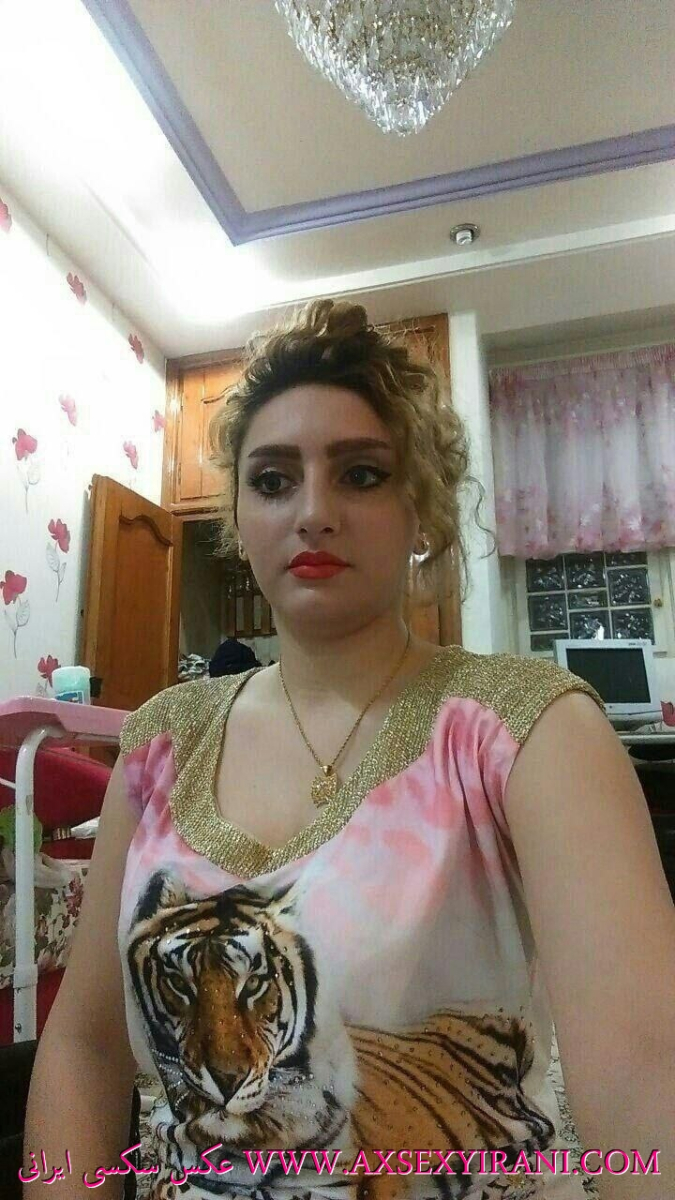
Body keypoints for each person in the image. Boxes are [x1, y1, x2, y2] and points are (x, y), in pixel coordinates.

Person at [25, 300, 675, 1200]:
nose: (313, 512)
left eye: (361, 474)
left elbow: (646, 1072)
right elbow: (84, 1047)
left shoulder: (527, 728)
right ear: (239, 517)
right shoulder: (158, 741)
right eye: (272, 480)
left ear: (421, 513)